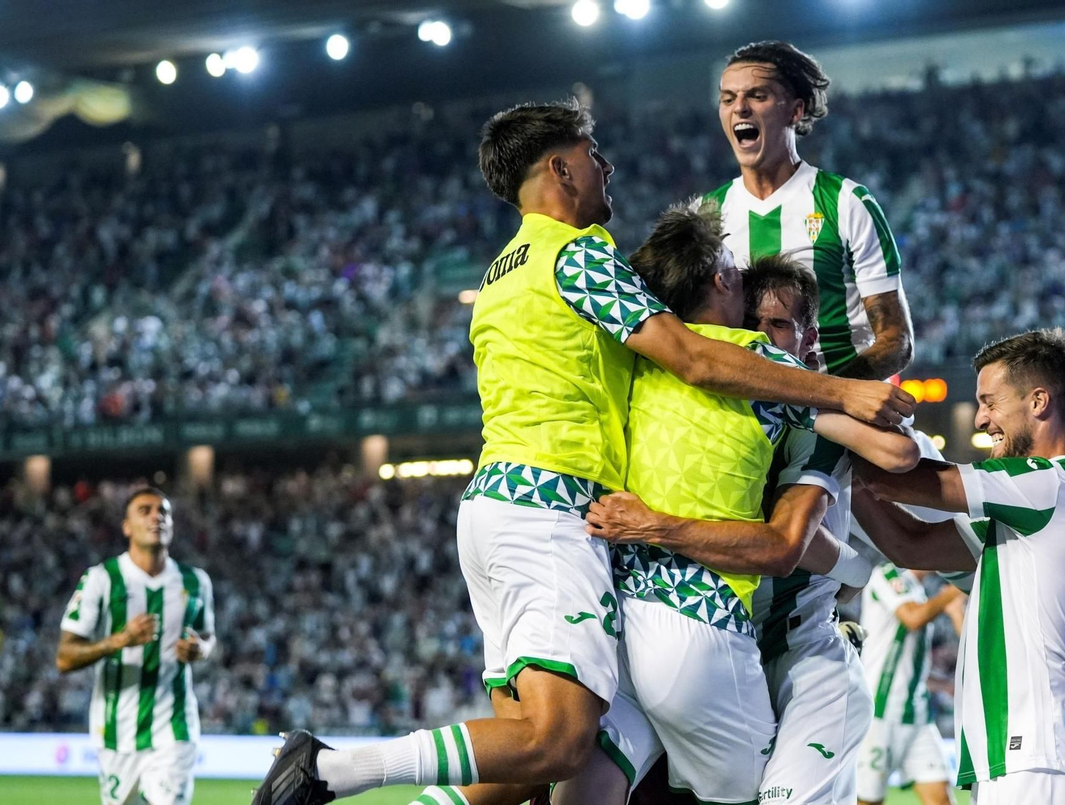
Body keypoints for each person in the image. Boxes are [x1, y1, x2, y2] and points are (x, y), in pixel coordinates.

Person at [253, 101, 914, 805]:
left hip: (491, 508)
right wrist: (838, 391)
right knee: (560, 738)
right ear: (560, 167)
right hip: (553, 510)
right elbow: (691, 356)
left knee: (528, 764)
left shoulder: (502, 274)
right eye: (594, 154)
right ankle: (330, 769)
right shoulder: (576, 252)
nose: (608, 167)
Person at [587, 255, 888, 805]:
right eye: (750, 323)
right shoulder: (700, 408)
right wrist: (855, 567)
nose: (757, 338)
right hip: (718, 640)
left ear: (809, 337)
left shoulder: (811, 416)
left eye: (776, 325)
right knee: (575, 757)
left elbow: (787, 543)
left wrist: (859, 566)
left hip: (801, 650)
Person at [849, 328, 1065, 805]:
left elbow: (907, 477)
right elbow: (913, 545)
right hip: (1021, 755)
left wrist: (819, 415)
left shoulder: (1049, 486)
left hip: (1040, 750)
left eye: (990, 402)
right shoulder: (1025, 515)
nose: (981, 418)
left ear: (1037, 401)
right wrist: (845, 483)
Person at [708, 41, 912, 381]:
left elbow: (896, 340)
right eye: (728, 98)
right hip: (754, 420)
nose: (740, 107)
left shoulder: (846, 201)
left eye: (757, 95)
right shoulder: (708, 215)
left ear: (795, 111)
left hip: (842, 413)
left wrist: (831, 396)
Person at [56, 487, 216, 805]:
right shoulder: (101, 579)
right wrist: (121, 640)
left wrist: (201, 649)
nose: (156, 516)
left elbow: (208, 637)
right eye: (144, 510)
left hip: (175, 727)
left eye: (163, 511)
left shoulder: (196, 581)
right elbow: (64, 657)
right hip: (117, 730)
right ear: (127, 527)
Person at [855, 564, 964, 805]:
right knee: (868, 800)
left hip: (917, 715)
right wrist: (955, 590)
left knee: (941, 798)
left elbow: (910, 666)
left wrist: (942, 684)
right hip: (880, 712)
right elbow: (913, 619)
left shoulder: (919, 594)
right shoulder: (887, 575)